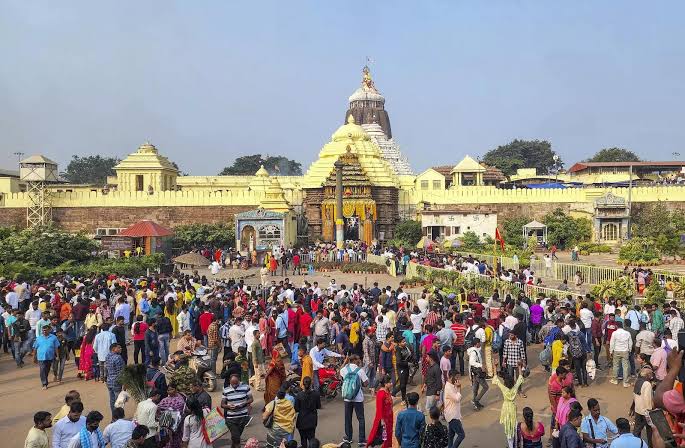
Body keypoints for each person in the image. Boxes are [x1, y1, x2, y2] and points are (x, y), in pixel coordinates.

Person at [492, 362, 525, 448]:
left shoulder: (504, 389)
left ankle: (511, 445)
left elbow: (496, 380)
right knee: (514, 425)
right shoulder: (514, 388)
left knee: (508, 427)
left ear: (505, 383)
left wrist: (495, 367)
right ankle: (515, 442)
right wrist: (519, 366)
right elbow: (520, 378)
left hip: (506, 408)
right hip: (512, 407)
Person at [340, 354, 369, 446]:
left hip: (347, 398)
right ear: (355, 360)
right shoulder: (360, 370)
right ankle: (361, 440)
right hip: (358, 398)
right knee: (360, 418)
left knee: (348, 418)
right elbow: (366, 383)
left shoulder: (345, 369)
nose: (360, 361)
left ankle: (348, 437)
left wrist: (345, 362)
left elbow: (339, 372)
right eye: (359, 359)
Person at [221, 373, 253, 448]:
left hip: (243, 417)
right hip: (231, 419)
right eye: (233, 384)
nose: (234, 386)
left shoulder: (246, 387)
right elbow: (222, 404)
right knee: (237, 439)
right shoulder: (226, 390)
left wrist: (244, 403)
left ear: (239, 381)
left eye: (236, 384)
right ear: (229, 381)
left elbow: (251, 399)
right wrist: (228, 406)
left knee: (235, 437)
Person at [295, 376, 322, 448]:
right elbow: (318, 406)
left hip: (301, 421)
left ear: (303, 384)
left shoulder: (299, 395)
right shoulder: (316, 394)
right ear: (311, 384)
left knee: (303, 440)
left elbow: (296, 409)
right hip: (312, 421)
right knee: (311, 440)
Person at [157, 382, 186, 448]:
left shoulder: (180, 399)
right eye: (168, 390)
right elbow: (158, 408)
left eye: (171, 389)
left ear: (176, 389)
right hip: (166, 427)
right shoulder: (165, 400)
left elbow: (180, 410)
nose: (169, 391)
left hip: (177, 427)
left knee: (177, 442)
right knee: (168, 441)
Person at [368, 375, 393, 448]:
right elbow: (379, 408)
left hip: (389, 417)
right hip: (384, 418)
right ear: (385, 383)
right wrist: (382, 420)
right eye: (389, 382)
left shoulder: (387, 391)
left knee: (388, 433)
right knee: (384, 434)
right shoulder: (381, 393)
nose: (391, 383)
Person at [32, 324, 60, 389]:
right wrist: (34, 357)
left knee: (46, 370)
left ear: (49, 330)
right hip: (41, 357)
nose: (44, 332)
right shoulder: (38, 338)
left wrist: (57, 356)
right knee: (42, 369)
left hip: (50, 357)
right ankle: (44, 383)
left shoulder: (54, 337)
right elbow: (35, 348)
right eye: (43, 330)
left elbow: (56, 347)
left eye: (46, 330)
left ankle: (45, 379)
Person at [443, 370, 465, 448]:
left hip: (453, 414)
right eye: (456, 377)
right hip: (452, 415)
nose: (458, 379)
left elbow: (459, 397)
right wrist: (459, 388)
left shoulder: (452, 385)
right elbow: (457, 398)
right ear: (451, 377)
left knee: (451, 435)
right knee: (461, 435)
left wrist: (458, 387)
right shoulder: (448, 388)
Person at [609, 321, 633, 388]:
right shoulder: (627, 333)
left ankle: (615, 380)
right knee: (625, 367)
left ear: (616, 326)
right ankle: (625, 382)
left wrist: (611, 351)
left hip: (616, 351)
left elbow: (612, 343)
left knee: (616, 366)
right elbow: (630, 343)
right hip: (625, 351)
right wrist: (630, 350)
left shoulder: (614, 333)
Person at [467, 338, 488, 410]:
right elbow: (471, 362)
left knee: (476, 388)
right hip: (477, 372)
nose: (480, 344)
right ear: (476, 344)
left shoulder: (474, 351)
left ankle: (476, 403)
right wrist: (481, 365)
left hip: (475, 373)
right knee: (485, 387)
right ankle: (475, 400)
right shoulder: (473, 352)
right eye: (479, 343)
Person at [105, 343, 125, 418]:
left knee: (112, 400)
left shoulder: (107, 356)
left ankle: (114, 417)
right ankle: (118, 417)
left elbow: (106, 369)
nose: (120, 349)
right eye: (118, 348)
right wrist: (124, 383)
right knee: (119, 401)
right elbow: (121, 372)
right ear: (113, 349)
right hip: (117, 382)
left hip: (109, 381)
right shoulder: (118, 357)